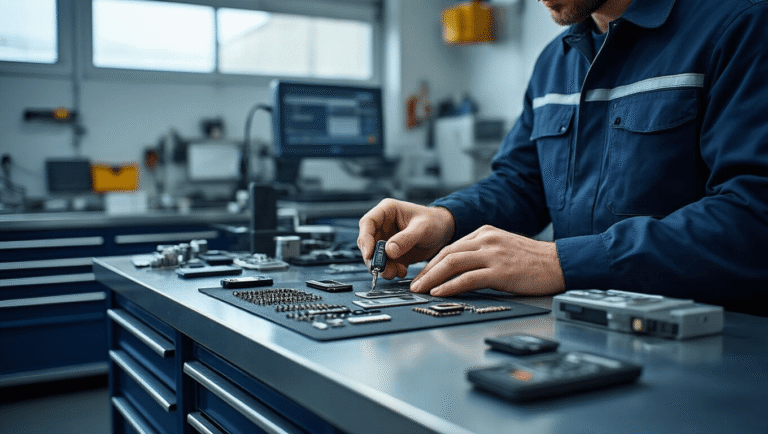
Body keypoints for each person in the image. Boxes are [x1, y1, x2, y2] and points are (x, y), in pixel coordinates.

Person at [358, 0, 768, 315]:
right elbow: (523, 183)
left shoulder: (741, 28)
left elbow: (753, 216)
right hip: (581, 326)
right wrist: (445, 220)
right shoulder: (556, 60)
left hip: (718, 343)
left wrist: (562, 261)